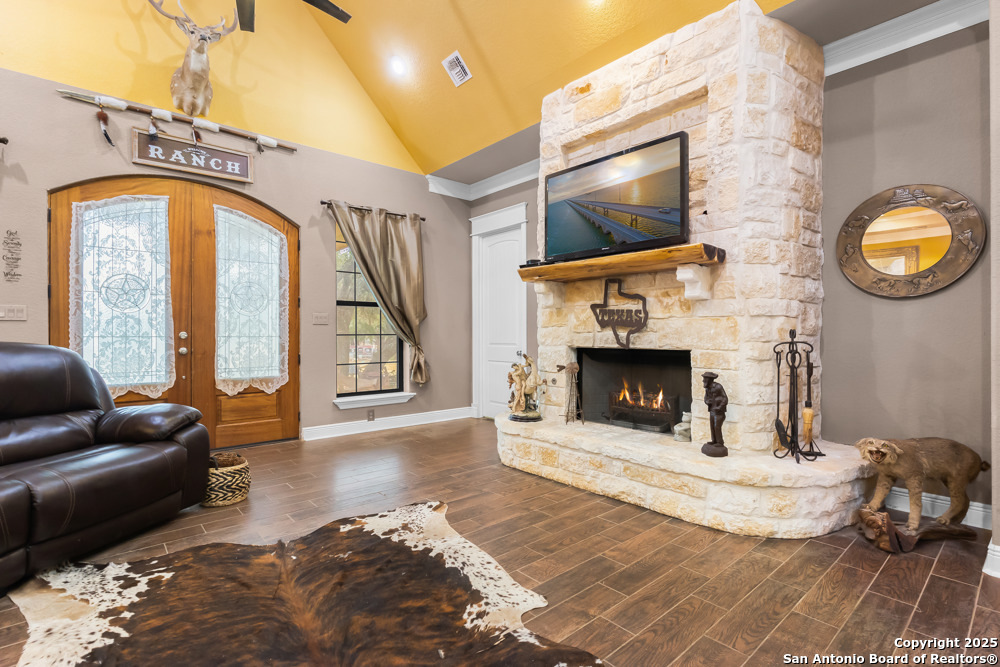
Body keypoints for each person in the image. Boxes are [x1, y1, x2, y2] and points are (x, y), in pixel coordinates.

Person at [701, 372, 729, 457]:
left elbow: (725, 398)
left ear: (709, 380)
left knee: (717, 426)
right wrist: (707, 401)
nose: (703, 381)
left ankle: (720, 442)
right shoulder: (707, 389)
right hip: (712, 411)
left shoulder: (718, 387)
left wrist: (720, 407)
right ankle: (714, 441)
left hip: (719, 412)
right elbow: (705, 398)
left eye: (704, 379)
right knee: (712, 426)